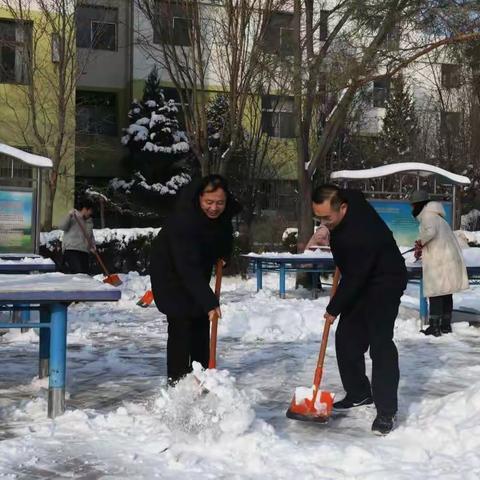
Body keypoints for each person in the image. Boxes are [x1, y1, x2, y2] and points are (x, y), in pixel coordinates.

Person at [312, 185, 408, 435]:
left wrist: (334, 308)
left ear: (342, 208)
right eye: (318, 218)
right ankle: (359, 393)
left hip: (385, 280)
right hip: (361, 274)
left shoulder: (361, 234)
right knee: (347, 340)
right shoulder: (348, 200)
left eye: (327, 219)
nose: (323, 224)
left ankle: (387, 412)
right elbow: (352, 191)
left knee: (380, 344)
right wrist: (329, 227)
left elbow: (355, 277)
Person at [150, 175, 241, 385]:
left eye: (220, 203)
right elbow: (186, 267)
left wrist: (224, 255)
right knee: (181, 322)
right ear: (199, 198)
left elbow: (225, 236)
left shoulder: (223, 215)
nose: (214, 208)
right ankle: (178, 383)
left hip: (196, 272)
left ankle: (202, 377)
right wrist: (209, 301)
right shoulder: (183, 220)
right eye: (209, 202)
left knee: (201, 321)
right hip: (170, 273)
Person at [410, 190, 468, 336]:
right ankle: (446, 325)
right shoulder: (438, 217)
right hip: (447, 259)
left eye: (413, 205)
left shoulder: (428, 216)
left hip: (439, 261)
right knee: (446, 292)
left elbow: (430, 232)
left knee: (436, 292)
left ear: (418, 205)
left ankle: (435, 326)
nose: (412, 209)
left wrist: (420, 242)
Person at [59, 197, 95, 274]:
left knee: (85, 275)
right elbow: (62, 226)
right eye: (90, 210)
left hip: (84, 251)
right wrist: (69, 215)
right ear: (85, 209)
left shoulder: (89, 222)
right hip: (71, 250)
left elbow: (90, 236)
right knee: (78, 273)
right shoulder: (73, 216)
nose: (91, 213)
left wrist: (93, 246)